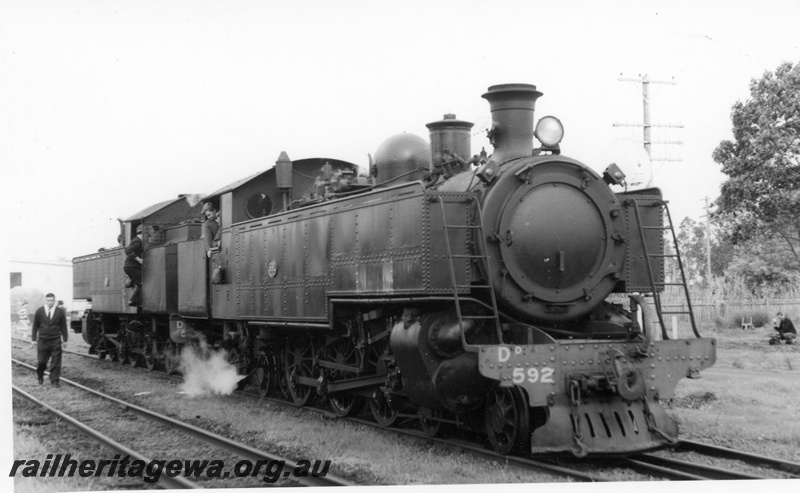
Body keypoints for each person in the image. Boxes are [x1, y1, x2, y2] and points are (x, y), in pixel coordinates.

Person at [31, 293, 68, 387]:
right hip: (43, 341)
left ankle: (55, 381)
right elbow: (35, 326)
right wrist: (33, 339)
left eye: (51, 300)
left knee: (56, 362)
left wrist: (65, 340)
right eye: (48, 300)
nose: (50, 302)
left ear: (54, 301)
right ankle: (40, 374)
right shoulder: (40, 311)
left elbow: (63, 326)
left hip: (55, 340)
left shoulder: (59, 312)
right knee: (42, 362)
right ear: (45, 300)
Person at [124, 224, 144, 306]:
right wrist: (139, 260)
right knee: (142, 282)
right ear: (141, 234)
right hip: (132, 267)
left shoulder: (137, 241)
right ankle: (133, 300)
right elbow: (128, 250)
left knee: (140, 282)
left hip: (131, 267)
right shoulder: (137, 242)